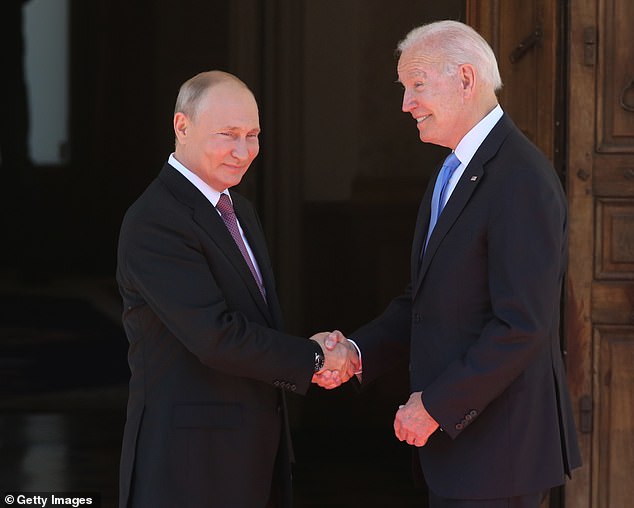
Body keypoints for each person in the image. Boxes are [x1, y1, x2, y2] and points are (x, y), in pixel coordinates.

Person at [315, 20, 581, 508]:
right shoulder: (452, 170)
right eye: (404, 88)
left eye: (417, 85)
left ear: (465, 79)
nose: (405, 103)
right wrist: (356, 351)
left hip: (500, 455)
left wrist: (436, 407)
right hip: (463, 456)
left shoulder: (520, 178)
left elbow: (522, 324)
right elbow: (426, 300)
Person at [116, 70, 358, 508]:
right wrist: (316, 356)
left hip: (252, 453)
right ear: (182, 127)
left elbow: (252, 320)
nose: (243, 151)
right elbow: (216, 337)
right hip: (190, 466)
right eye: (228, 134)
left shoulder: (237, 208)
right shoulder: (155, 220)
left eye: (253, 135)